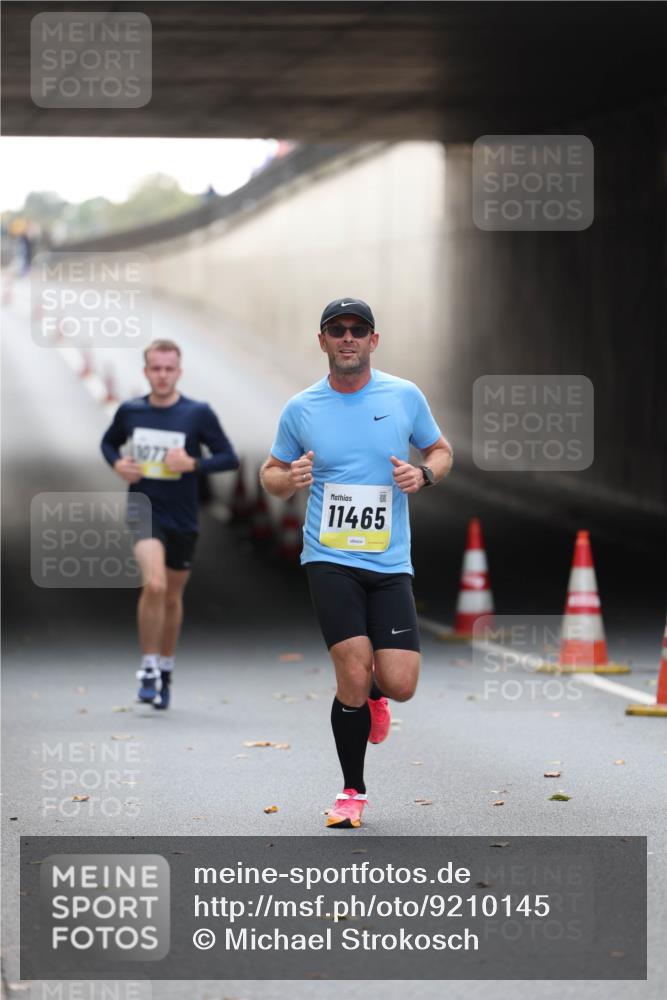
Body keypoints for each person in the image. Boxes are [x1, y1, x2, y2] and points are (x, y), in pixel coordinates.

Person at [261, 298, 453, 828]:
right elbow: (270, 474)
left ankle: (375, 694)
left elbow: (441, 450)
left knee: (399, 682)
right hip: (329, 556)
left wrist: (426, 475)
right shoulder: (302, 408)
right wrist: (288, 480)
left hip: (390, 561)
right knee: (350, 664)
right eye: (337, 330)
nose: (348, 338)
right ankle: (352, 792)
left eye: (358, 330)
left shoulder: (403, 396)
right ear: (321, 341)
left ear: (374, 340)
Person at [101, 339, 239, 709]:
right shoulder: (131, 412)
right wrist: (118, 464)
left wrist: (193, 464)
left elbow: (228, 458)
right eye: (155, 368)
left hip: (183, 514)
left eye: (168, 369)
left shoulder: (197, 413)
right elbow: (109, 443)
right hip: (144, 508)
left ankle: (165, 666)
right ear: (145, 371)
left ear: (178, 372)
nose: (161, 375)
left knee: (173, 596)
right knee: (155, 583)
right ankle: (147, 667)